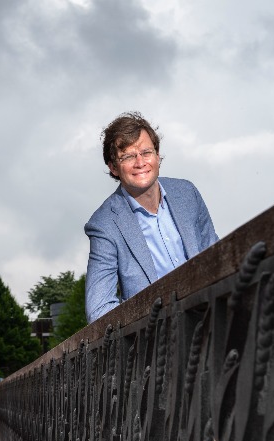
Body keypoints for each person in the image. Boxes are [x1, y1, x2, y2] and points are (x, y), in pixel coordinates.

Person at [84, 112, 219, 323]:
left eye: (146, 152)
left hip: (211, 316)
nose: (140, 162)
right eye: (128, 156)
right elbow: (99, 308)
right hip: (159, 338)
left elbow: (215, 257)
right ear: (113, 167)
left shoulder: (187, 193)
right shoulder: (104, 225)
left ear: (157, 156)